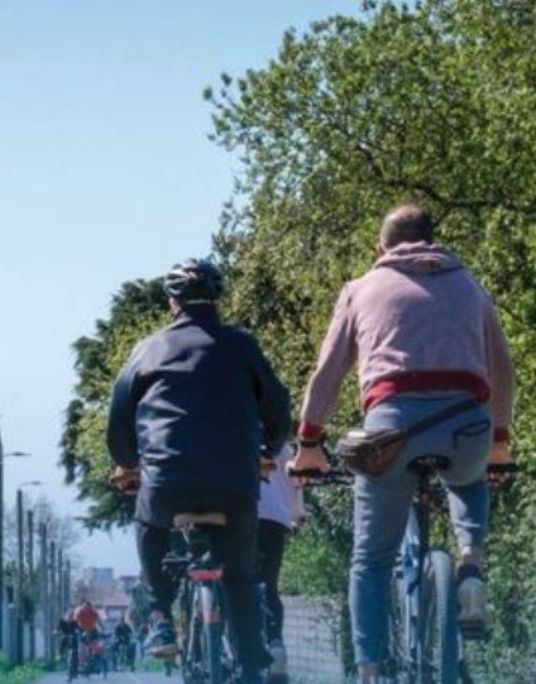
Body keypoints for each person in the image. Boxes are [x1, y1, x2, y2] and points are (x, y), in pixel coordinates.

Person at [289, 204, 514, 684]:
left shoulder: (361, 289)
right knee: (471, 475)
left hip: (392, 431)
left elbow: (328, 374)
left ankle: (371, 669)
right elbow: (503, 370)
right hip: (466, 423)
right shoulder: (473, 288)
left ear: (381, 247)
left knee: (371, 559)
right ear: (433, 240)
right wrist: (499, 439)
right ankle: (469, 562)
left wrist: (309, 442)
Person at [106, 258, 291, 684]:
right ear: (219, 300)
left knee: (149, 523)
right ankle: (249, 665)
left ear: (172, 302)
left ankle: (159, 618)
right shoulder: (242, 347)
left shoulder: (147, 349)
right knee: (241, 576)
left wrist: (128, 462)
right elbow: (277, 407)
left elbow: (119, 420)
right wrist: (269, 449)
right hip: (234, 484)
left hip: (168, 483)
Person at [258, 441, 305, 682]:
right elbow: (292, 479)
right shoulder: (273, 432)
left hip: (233, 513)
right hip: (272, 519)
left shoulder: (220, 421)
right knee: (268, 585)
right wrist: (297, 514)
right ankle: (275, 642)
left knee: (234, 583)